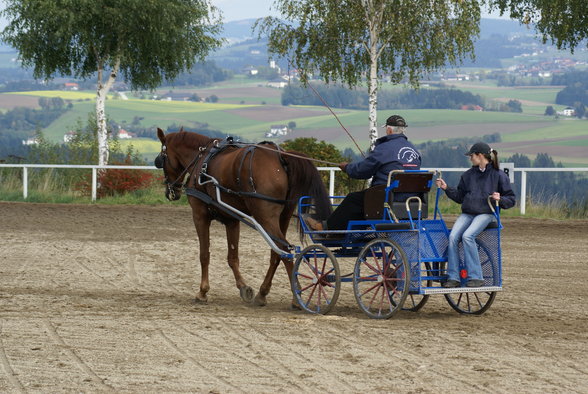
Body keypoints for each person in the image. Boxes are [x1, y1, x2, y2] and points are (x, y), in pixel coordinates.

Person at [306, 114, 421, 231]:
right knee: (362, 200)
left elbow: (362, 171)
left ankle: (326, 227)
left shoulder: (384, 148)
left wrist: (347, 167)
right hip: (411, 200)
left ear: (389, 129)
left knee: (352, 199)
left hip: (386, 197)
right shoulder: (414, 150)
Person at [435, 142, 516, 288]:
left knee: (467, 236)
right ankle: (453, 277)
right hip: (468, 213)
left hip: (487, 213)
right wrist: (446, 188)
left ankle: (476, 277)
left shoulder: (498, 175)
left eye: (472, 156)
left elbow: (511, 199)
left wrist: (501, 199)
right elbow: (460, 196)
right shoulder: (468, 175)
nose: (470, 158)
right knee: (453, 237)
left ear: (480, 155)